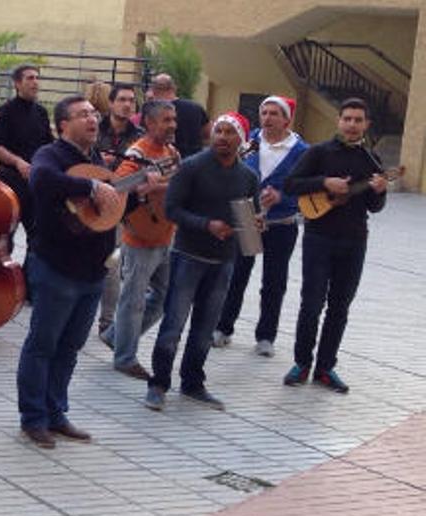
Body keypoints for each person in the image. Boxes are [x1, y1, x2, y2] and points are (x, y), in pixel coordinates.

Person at [15, 95, 114, 449]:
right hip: (57, 266)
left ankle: (56, 413)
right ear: (63, 125)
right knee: (43, 344)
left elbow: (109, 207)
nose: (92, 120)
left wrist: (139, 195)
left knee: (70, 348)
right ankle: (33, 418)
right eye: (83, 114)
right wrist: (89, 186)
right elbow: (41, 180)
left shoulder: (98, 159)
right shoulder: (50, 155)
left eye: (93, 114)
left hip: (93, 270)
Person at [143, 112, 259, 412]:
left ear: (240, 140)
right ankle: (158, 383)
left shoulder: (248, 177)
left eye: (229, 132)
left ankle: (193, 382)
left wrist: (257, 221)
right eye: (218, 130)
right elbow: (172, 209)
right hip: (187, 257)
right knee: (173, 325)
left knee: (205, 328)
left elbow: (249, 221)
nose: (221, 137)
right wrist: (207, 225)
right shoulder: (192, 167)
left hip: (223, 262)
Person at [282, 98, 389, 393]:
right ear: (338, 120)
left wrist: (379, 192)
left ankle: (326, 367)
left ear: (366, 125)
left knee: (340, 307)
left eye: (358, 120)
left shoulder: (371, 161)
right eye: (347, 119)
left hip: (354, 241)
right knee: (312, 303)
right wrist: (324, 183)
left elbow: (375, 206)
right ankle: (301, 363)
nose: (352, 125)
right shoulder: (318, 152)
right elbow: (291, 184)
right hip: (319, 237)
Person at [214, 96, 306, 355]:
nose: (267, 118)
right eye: (264, 112)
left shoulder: (301, 150)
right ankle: (223, 327)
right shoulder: (248, 142)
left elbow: (306, 189)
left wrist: (282, 197)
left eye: (274, 113)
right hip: (246, 218)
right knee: (237, 275)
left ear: (287, 119)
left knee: (274, 281)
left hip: (281, 222)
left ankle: (266, 337)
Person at [100, 100, 180, 380]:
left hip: (166, 234)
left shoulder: (171, 152)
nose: (172, 125)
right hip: (141, 236)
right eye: (166, 120)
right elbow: (118, 189)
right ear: (149, 123)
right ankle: (125, 357)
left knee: (163, 298)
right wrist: (146, 185)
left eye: (174, 119)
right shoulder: (137, 153)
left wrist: (160, 185)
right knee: (133, 300)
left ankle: (115, 335)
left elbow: (178, 185)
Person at [93, 83, 145, 338]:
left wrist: (122, 175)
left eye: (131, 100)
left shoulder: (141, 137)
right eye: (122, 99)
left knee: (111, 263)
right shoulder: (93, 127)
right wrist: (100, 166)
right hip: (89, 200)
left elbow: (144, 175)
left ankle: (106, 321)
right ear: (111, 103)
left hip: (121, 206)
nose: (127, 104)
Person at [0, 64, 54, 238]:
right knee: (5, 237)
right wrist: (18, 162)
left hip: (36, 181)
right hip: (10, 182)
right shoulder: (4, 112)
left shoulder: (41, 113)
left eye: (37, 78)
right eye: (30, 78)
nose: (35, 82)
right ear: (17, 84)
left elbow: (49, 144)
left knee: (37, 237)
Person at [149, 73, 209, 159]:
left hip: (169, 162)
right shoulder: (196, 107)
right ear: (174, 88)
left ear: (154, 91)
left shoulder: (154, 112)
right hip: (196, 160)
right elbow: (208, 133)